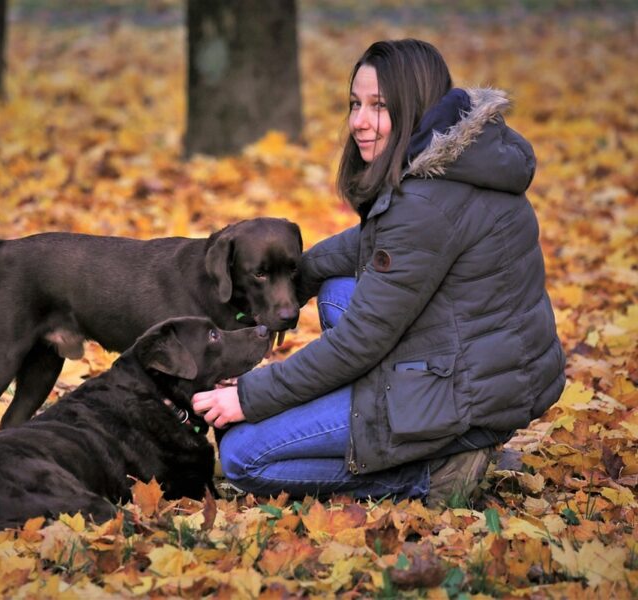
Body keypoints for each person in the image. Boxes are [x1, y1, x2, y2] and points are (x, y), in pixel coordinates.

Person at [192, 39, 566, 505]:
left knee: (243, 455)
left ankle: (432, 474)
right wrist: (291, 290)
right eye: (355, 104)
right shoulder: (463, 161)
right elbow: (367, 244)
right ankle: (401, 436)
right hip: (489, 367)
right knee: (335, 293)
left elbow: (357, 345)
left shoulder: (425, 205)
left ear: (415, 106)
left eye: (379, 107)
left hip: (465, 394)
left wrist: (249, 396)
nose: (358, 123)